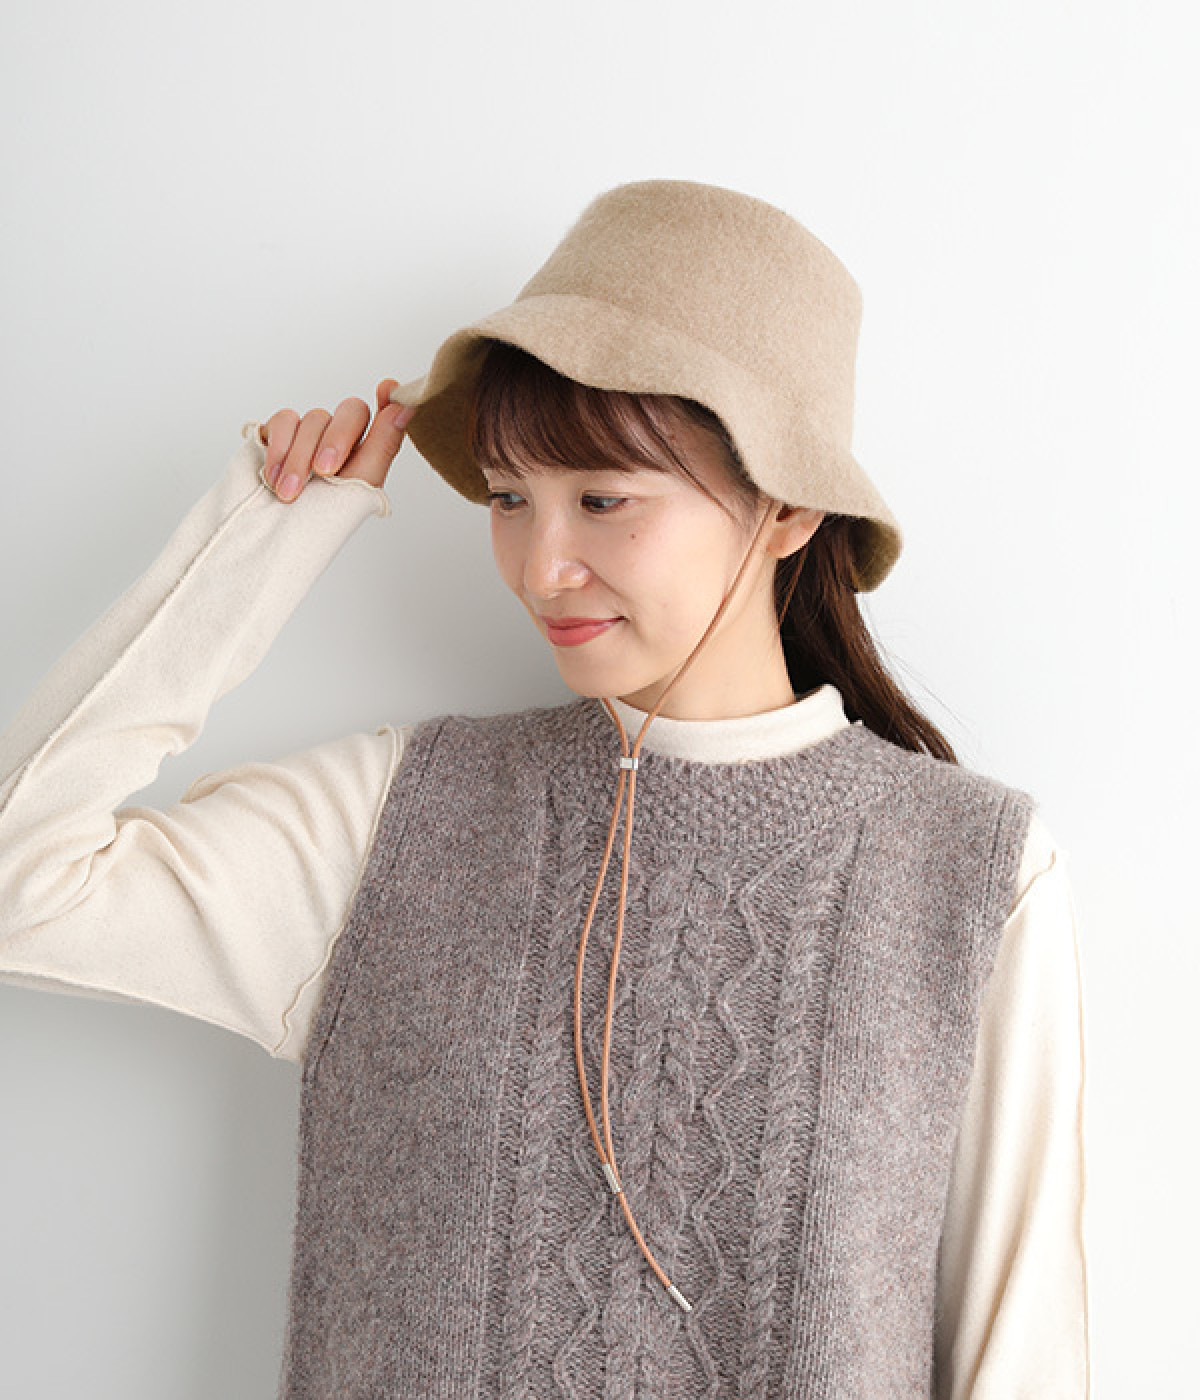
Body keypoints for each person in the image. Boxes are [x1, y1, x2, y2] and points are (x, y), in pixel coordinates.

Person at [0, 178, 1090, 1397]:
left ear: (786, 506)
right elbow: (21, 880)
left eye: (603, 498)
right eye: (510, 497)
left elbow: (1023, 1362)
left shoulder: (969, 873)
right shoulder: (400, 821)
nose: (540, 565)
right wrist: (261, 538)